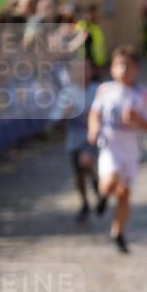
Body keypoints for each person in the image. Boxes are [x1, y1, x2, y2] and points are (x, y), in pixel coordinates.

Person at [87, 45, 147, 254]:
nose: (123, 70)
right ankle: (103, 194)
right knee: (110, 182)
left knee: (125, 194)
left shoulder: (142, 94)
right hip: (110, 146)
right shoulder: (105, 90)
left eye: (128, 66)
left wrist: (137, 119)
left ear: (136, 70)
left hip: (131, 151)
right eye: (119, 65)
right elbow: (95, 113)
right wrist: (94, 128)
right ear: (113, 68)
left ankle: (118, 232)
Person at [57, 57, 100, 222]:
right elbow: (56, 121)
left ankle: (96, 183)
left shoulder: (98, 90)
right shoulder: (67, 93)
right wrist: (65, 113)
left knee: (85, 161)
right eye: (77, 70)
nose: (82, 74)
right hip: (73, 139)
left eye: (85, 70)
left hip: (92, 137)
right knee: (78, 176)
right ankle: (84, 203)